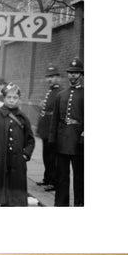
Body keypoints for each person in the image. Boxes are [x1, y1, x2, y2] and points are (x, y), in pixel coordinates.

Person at [0, 83, 35, 206]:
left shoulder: (22, 118)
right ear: (4, 98)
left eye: (15, 98)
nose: (11, 100)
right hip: (0, 161)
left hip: (17, 163)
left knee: (15, 198)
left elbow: (30, 140)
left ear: (19, 99)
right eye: (9, 97)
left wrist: (25, 155)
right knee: (1, 195)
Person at [49, 57, 84, 206]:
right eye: (70, 73)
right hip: (62, 141)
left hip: (78, 141)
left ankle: (80, 203)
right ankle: (61, 204)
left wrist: (83, 138)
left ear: (81, 75)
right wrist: (52, 139)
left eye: (76, 73)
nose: (73, 76)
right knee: (62, 175)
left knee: (80, 176)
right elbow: (55, 120)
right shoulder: (61, 95)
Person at [35, 64, 61, 191]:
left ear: (58, 78)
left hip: (52, 130)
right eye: (48, 77)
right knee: (46, 156)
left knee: (52, 157)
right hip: (46, 130)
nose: (50, 79)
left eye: (53, 76)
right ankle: (47, 178)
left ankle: (53, 181)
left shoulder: (59, 92)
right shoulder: (51, 91)